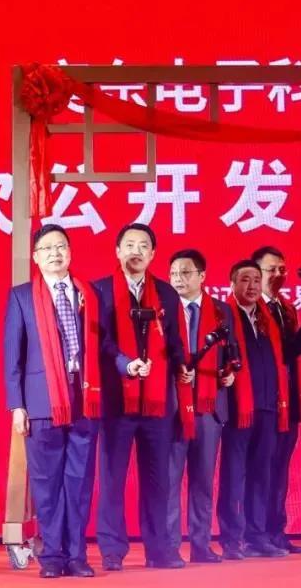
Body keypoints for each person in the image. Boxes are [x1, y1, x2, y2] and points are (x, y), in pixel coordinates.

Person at [3, 224, 100, 578]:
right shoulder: (22, 297)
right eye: (47, 248)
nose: (55, 253)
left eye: (61, 247)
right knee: (46, 485)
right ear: (35, 257)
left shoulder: (88, 293)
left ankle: (77, 556)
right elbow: (13, 355)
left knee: (79, 484)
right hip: (41, 403)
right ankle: (53, 557)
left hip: (84, 400)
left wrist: (127, 365)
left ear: (70, 252)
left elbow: (103, 345)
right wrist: (17, 406)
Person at [95, 223, 186, 571]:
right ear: (117, 251)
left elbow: (175, 342)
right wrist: (126, 364)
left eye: (143, 245)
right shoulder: (100, 291)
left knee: (158, 481)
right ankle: (112, 550)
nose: (136, 250)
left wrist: (183, 366)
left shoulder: (166, 294)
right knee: (112, 480)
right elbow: (100, 342)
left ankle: (160, 550)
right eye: (129, 244)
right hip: (116, 400)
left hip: (157, 402)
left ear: (153, 254)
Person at [164, 249, 236, 564]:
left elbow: (231, 353)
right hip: (173, 406)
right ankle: (168, 547)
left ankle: (201, 545)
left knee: (203, 482)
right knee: (169, 481)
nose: (178, 279)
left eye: (185, 272)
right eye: (173, 273)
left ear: (202, 276)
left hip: (209, 407)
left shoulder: (221, 311)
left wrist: (230, 373)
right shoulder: (164, 310)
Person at [218, 260, 291, 559]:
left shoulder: (267, 318)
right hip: (238, 409)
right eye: (245, 280)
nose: (252, 286)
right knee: (234, 477)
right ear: (232, 284)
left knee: (262, 475)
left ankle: (257, 537)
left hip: (267, 408)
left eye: (256, 280)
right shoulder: (223, 314)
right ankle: (231, 539)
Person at [252, 246, 301, 554]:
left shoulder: (286, 308)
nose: (278, 275)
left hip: (288, 401)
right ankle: (257, 533)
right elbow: (274, 354)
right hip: (265, 403)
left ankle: (276, 531)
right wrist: (300, 341)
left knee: (280, 470)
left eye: (282, 269)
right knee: (262, 471)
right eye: (271, 269)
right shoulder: (253, 310)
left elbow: (293, 356)